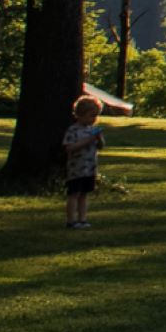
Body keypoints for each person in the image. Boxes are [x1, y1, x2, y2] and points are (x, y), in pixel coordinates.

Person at [62, 94, 105, 231]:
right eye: (91, 115)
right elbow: (69, 148)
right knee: (74, 194)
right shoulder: (73, 130)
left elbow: (101, 146)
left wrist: (99, 139)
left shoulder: (92, 130)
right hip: (76, 168)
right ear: (80, 114)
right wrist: (88, 140)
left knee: (84, 194)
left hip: (90, 168)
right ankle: (71, 220)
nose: (93, 119)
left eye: (95, 116)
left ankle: (82, 218)